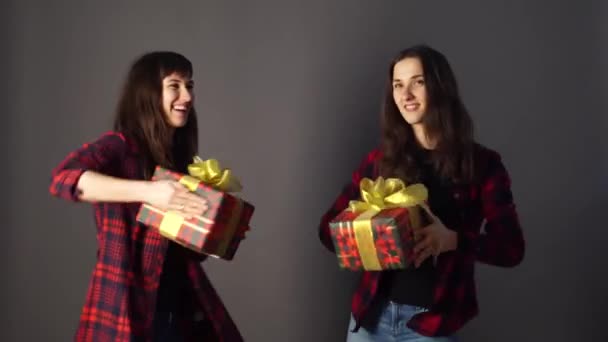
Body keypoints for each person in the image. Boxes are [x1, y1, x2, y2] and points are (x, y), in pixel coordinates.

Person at [318, 45, 525, 341]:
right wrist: (365, 237)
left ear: (441, 87)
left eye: (418, 81)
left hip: (430, 328)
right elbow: (326, 231)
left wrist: (453, 240)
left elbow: (511, 249)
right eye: (398, 85)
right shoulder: (379, 162)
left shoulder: (482, 165)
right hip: (369, 321)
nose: (406, 95)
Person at [49, 51, 243, 341]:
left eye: (189, 86)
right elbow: (63, 179)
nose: (187, 97)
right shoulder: (119, 146)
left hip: (183, 305)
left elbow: (181, 253)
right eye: (175, 85)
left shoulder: (177, 158)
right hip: (129, 305)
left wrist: (217, 228)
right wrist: (150, 192)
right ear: (148, 93)